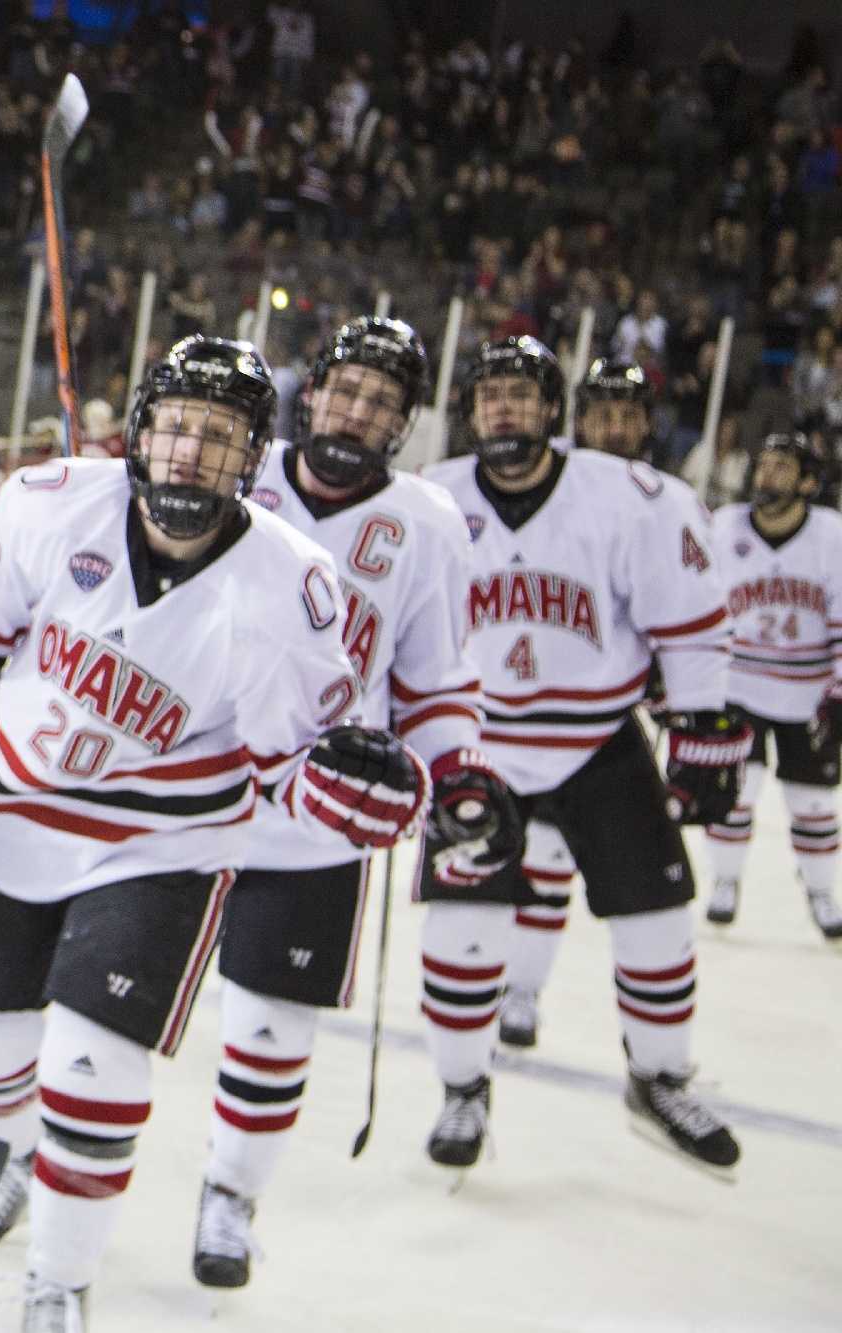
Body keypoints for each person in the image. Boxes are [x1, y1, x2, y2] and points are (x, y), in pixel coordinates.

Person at [0, 335, 427, 1332]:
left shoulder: (291, 585)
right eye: (175, 426)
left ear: (252, 458)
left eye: (220, 434)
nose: (190, 450)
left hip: (160, 850)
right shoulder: (50, 501)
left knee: (89, 1067)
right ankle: (18, 1160)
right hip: (15, 818)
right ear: (141, 431)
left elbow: (294, 765)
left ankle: (58, 1277)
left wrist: (352, 788)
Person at [190, 319, 519, 1289]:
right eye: (343, 390)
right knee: (86, 997)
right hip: (175, 789)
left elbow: (434, 678)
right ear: (310, 390)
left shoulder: (425, 522)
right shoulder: (234, 465)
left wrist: (454, 771)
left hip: (316, 810)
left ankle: (228, 1193)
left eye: (381, 401)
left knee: (269, 1024)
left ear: (404, 422)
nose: (356, 411)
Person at [418, 336, 746, 1176]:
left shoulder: (632, 496)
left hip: (599, 740)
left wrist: (703, 727)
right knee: (462, 930)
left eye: (522, 395)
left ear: (554, 412)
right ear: (468, 409)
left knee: (660, 920)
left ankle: (660, 1077)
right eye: (489, 394)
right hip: (477, 747)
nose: (504, 409)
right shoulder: (430, 500)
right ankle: (462, 1088)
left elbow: (691, 620)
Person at [495, 353, 663, 1048]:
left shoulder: (659, 499)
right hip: (501, 711)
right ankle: (506, 992)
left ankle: (524, 992)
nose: (615, 427)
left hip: (595, 719)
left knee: (557, 858)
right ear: (575, 418)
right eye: (602, 413)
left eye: (628, 415)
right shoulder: (525, 482)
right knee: (508, 868)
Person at [704, 431, 842, 939]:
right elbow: (701, 608)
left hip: (808, 694)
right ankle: (725, 882)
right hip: (737, 686)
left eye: (782, 467)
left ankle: (823, 891)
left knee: (812, 802)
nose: (768, 475)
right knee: (736, 793)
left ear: (808, 481)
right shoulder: (723, 527)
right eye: (764, 465)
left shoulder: (831, 535)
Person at [574, 357, 657, 461]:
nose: (617, 431)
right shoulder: (558, 476)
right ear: (580, 422)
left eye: (629, 417)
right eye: (604, 417)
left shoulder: (664, 478)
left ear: (648, 424)